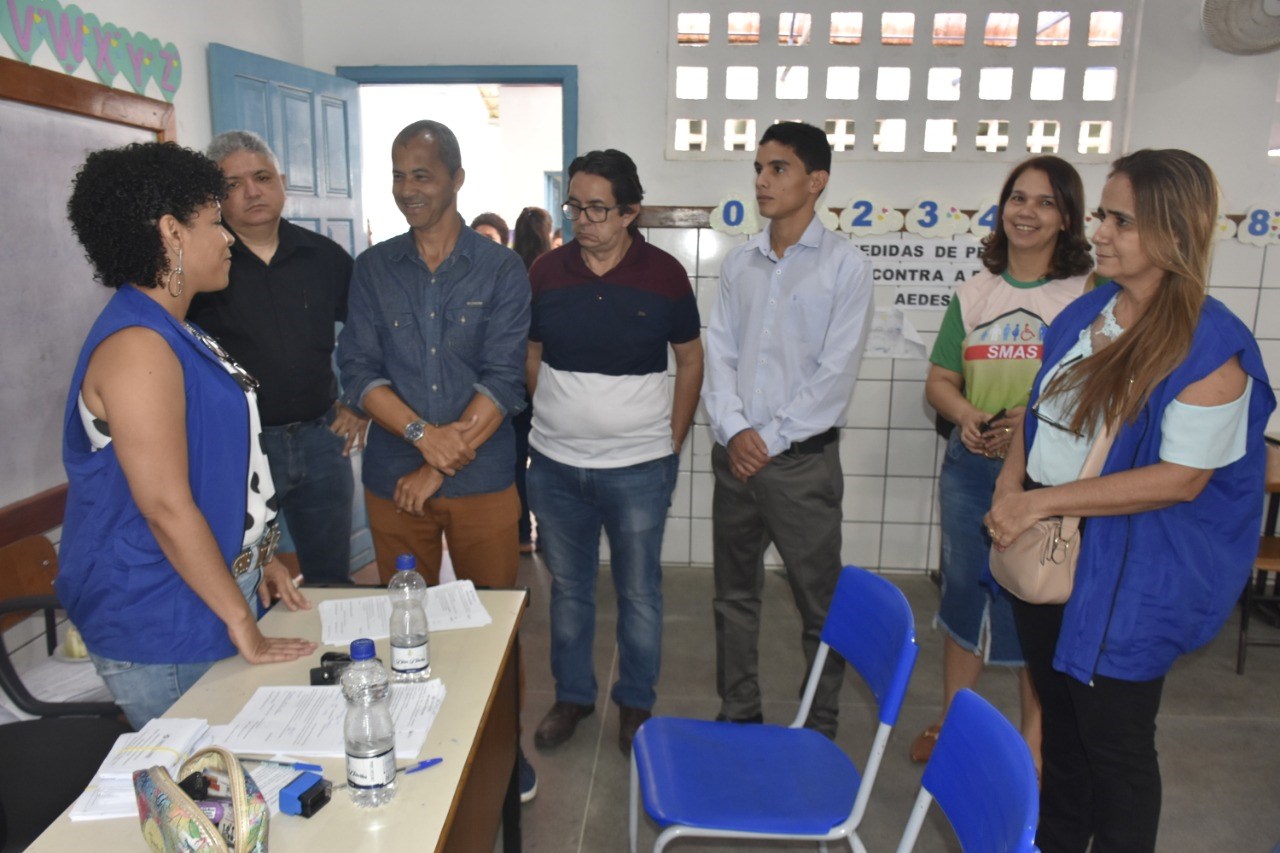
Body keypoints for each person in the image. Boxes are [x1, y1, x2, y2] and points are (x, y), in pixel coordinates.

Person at [985, 148, 1274, 852]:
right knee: (1062, 723)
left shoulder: (1210, 346)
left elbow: (1181, 479)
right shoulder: (1088, 310)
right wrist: (1010, 484)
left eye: (1124, 219)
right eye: (1103, 214)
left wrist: (1044, 504)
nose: (1102, 231)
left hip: (1133, 576)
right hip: (1054, 546)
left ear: (1176, 232)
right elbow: (1037, 407)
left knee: (1115, 747)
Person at [58, 142, 316, 729]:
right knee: (206, 800)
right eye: (212, 223)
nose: (227, 237)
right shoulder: (137, 349)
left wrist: (258, 557)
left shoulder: (176, 330)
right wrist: (242, 622)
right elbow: (167, 507)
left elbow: (222, 466)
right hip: (164, 615)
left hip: (208, 591)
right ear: (172, 233)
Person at [336, 119, 537, 799]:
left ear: (455, 178)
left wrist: (437, 461)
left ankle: (504, 752)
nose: (407, 189)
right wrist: (423, 436)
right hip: (396, 484)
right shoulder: (372, 268)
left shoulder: (502, 268)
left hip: (480, 479)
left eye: (421, 174)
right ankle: (413, 740)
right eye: (397, 175)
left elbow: (505, 378)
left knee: (491, 623)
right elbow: (358, 371)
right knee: (404, 628)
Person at [911, 155, 1094, 766]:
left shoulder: (1085, 297)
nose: (1027, 212)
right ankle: (952, 727)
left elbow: (1095, 392)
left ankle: (1031, 745)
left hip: (1045, 480)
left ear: (1067, 216)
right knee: (963, 595)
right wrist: (964, 413)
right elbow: (939, 380)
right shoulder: (974, 293)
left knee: (1033, 603)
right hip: (971, 470)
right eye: (1018, 198)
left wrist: (1031, 420)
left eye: (1045, 202)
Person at [526, 152, 702, 756]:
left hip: (639, 467)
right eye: (574, 205)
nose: (583, 219)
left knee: (639, 592)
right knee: (569, 591)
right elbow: (532, 354)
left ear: (630, 211)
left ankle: (635, 703)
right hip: (553, 466)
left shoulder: (665, 276)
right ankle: (573, 696)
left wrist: (671, 437)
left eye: (597, 208)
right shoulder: (546, 272)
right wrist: (557, 413)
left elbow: (691, 358)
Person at [701, 121, 874, 737]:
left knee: (818, 605)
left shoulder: (845, 267)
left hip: (800, 466)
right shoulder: (740, 262)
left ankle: (818, 723)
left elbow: (834, 376)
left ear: (816, 181)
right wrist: (735, 428)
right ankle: (738, 709)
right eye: (758, 168)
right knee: (734, 597)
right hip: (736, 457)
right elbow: (717, 353)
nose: (762, 180)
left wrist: (765, 440)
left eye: (778, 169)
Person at [188, 130, 365, 586]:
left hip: (322, 441)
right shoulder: (204, 266)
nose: (252, 191)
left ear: (282, 182)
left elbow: (369, 333)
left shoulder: (323, 257)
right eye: (233, 184)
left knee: (331, 579)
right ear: (215, 197)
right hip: (240, 448)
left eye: (262, 177)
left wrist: (359, 402)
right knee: (248, 578)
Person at [511, 205, 554, 553]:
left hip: (511, 379)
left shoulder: (509, 268)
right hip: (543, 376)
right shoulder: (551, 269)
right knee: (544, 459)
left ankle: (522, 533)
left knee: (515, 460)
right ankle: (550, 534)